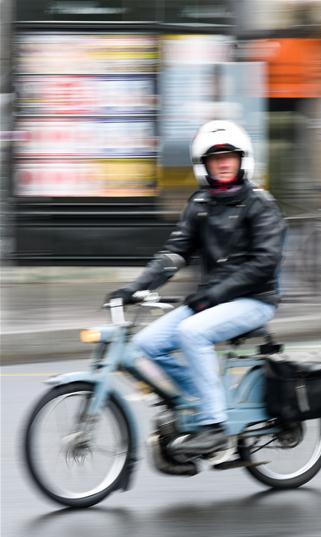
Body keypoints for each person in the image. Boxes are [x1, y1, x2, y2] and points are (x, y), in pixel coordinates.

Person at [106, 120, 286, 454]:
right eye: (214, 158)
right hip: (211, 300)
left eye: (228, 156)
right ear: (203, 166)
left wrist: (214, 295)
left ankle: (214, 427)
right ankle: (202, 400)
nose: (222, 163)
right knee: (145, 345)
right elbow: (174, 253)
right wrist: (134, 288)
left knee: (192, 333)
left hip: (254, 299)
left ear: (242, 159)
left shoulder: (261, 205)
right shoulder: (200, 204)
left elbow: (264, 264)